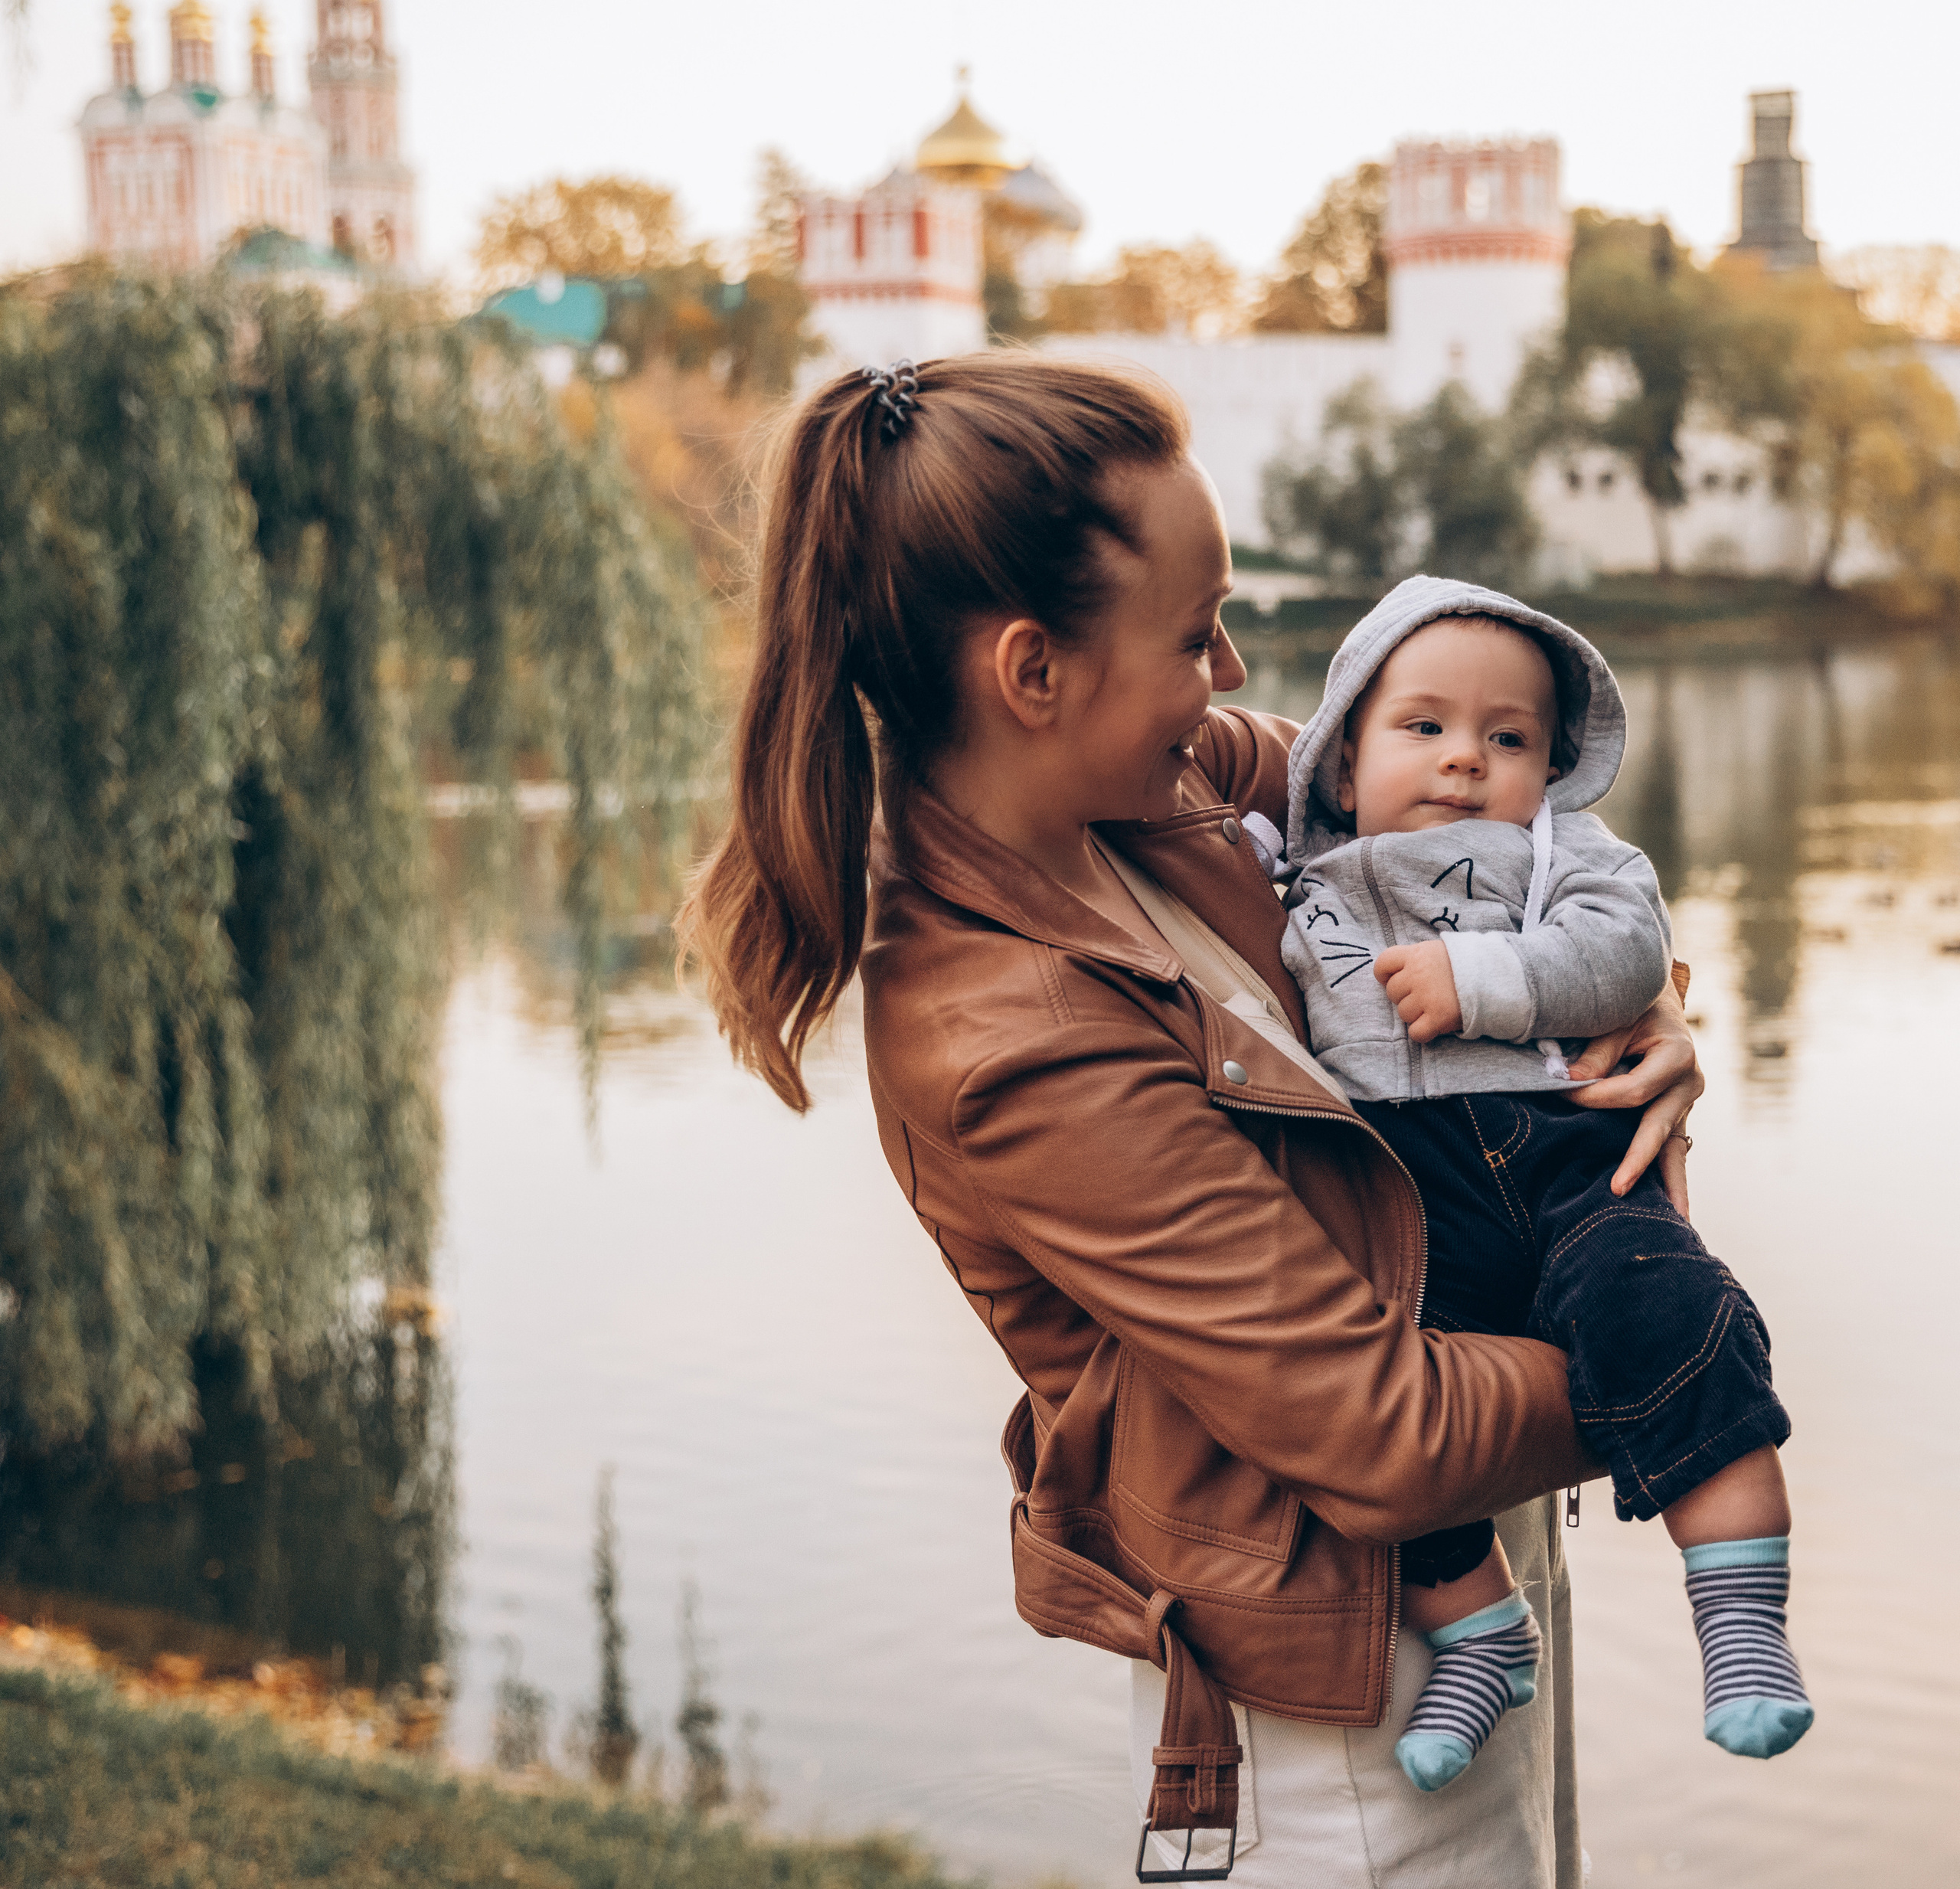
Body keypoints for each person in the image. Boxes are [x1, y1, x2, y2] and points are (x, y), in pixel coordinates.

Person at [679, 355, 1704, 1887]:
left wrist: (1633, 1005)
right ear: (1032, 673)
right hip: (1340, 1732)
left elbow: (1486, 825)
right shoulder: (1000, 1036)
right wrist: (1679, 1338)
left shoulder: (1164, 791)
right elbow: (1383, 1428)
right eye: (1191, 630)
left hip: (1475, 1577)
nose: (1232, 670)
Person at [1238, 580, 1811, 1796]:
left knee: (1663, 1296)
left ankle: (1742, 1612)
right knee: (1374, 1384)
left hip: (1564, 1153)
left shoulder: (1566, 853)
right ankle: (1482, 1637)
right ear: (1342, 762)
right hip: (1406, 1187)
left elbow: (1627, 954)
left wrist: (1488, 977)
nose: (1464, 762)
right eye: (1425, 728)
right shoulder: (1291, 864)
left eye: (1509, 740)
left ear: (1550, 771)